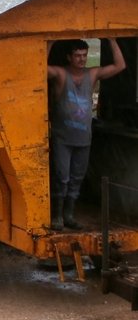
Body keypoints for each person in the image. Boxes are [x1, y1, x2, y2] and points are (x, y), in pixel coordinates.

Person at [47, 38, 125, 231]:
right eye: (77, 56)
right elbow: (38, 67)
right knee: (61, 177)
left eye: (84, 55)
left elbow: (120, 65)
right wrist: (49, 41)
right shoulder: (61, 74)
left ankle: (69, 214)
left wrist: (111, 40)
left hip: (83, 138)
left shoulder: (93, 74)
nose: (82, 59)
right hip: (62, 138)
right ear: (69, 57)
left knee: (76, 178)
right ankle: (57, 215)